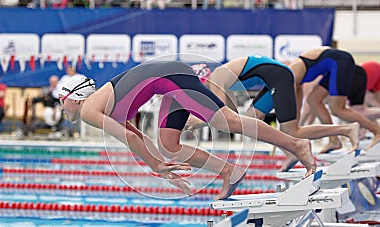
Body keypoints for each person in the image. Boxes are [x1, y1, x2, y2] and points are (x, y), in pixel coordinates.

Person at [59, 61, 316, 200]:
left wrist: (156, 166)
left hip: (169, 77)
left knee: (226, 121)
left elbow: (128, 138)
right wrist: (164, 169)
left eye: (62, 100)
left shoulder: (89, 110)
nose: (61, 107)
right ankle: (230, 171)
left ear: (74, 97)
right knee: (168, 144)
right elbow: (137, 138)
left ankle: (296, 145)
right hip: (167, 80)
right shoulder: (102, 106)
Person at [189, 56, 359, 172]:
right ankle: (290, 152)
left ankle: (346, 129)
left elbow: (221, 114)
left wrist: (198, 121)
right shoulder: (221, 79)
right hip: (272, 78)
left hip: (280, 76)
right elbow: (232, 116)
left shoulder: (218, 76)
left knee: (293, 131)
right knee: (249, 122)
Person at [288, 46, 380, 155]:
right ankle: (334, 140)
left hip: (341, 62)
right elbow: (295, 111)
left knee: (337, 109)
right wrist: (293, 132)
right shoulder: (293, 78)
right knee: (313, 100)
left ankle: (377, 131)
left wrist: (291, 132)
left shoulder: (291, 75)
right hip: (335, 64)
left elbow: (290, 110)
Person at [307, 65, 380, 151]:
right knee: (358, 111)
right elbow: (313, 109)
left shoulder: (312, 83)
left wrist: (303, 127)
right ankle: (373, 131)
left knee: (337, 109)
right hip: (358, 71)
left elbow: (309, 109)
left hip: (352, 71)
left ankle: (375, 131)